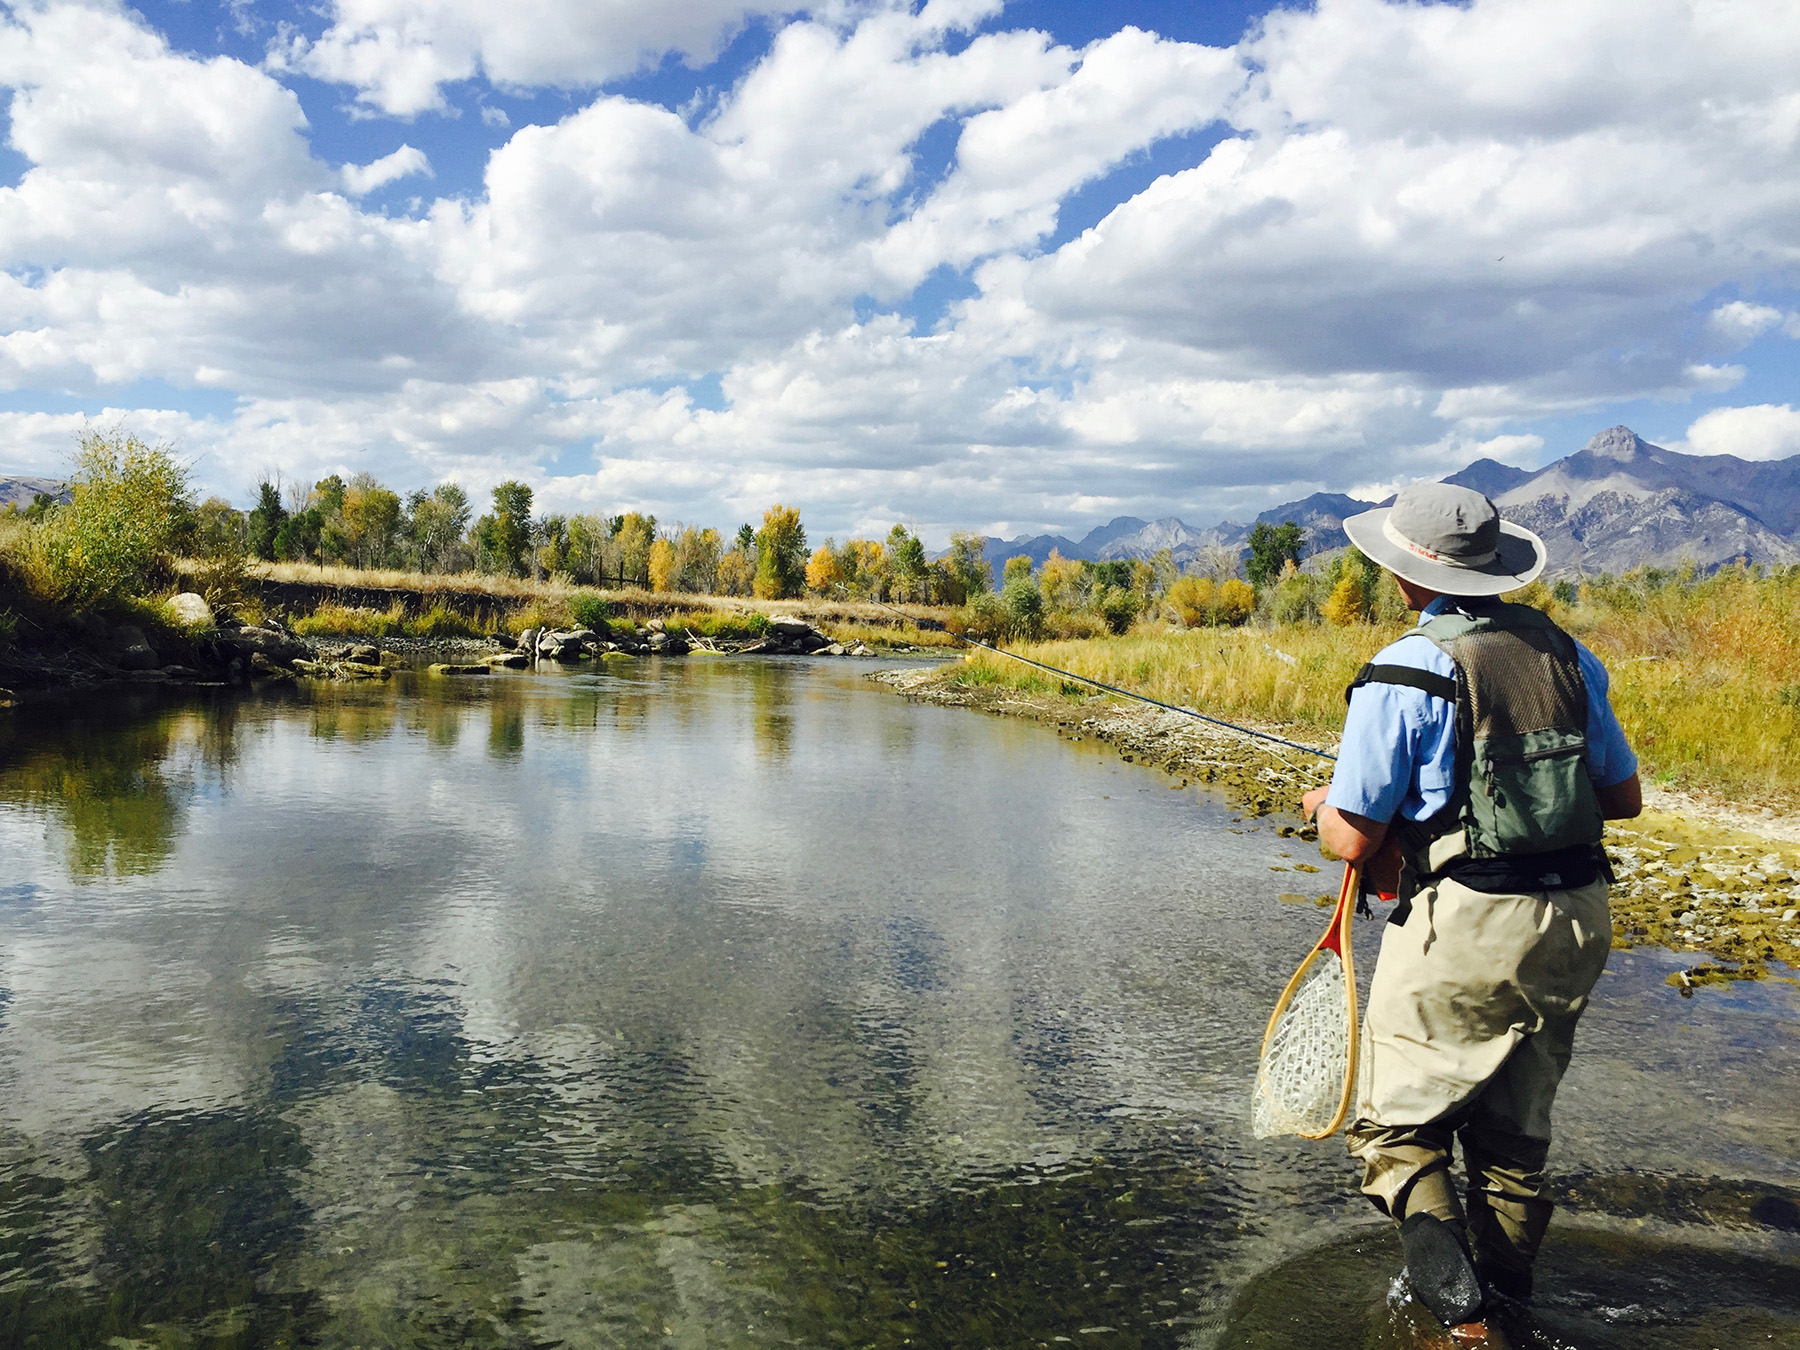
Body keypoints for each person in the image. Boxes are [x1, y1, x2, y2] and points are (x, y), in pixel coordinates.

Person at [1298, 482, 1642, 1347]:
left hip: (1469, 923)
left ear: (1407, 574)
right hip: (1579, 918)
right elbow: (1624, 797)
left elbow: (1351, 837)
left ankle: (1466, 1324)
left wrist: (1319, 804)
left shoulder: (1406, 668)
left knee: (1394, 1131)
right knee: (1513, 1138)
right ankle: (1515, 1312)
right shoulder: (1567, 654)